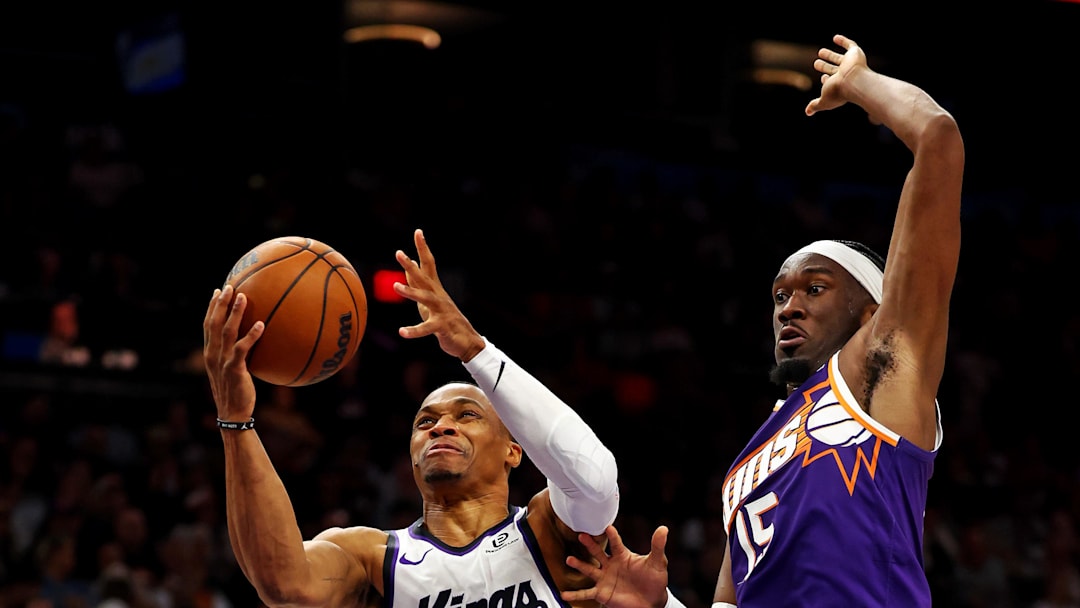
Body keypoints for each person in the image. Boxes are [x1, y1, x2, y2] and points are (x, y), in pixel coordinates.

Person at [560, 33, 964, 607]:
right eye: (778, 296)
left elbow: (938, 138)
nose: (788, 307)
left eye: (814, 289)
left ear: (874, 308)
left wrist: (861, 84)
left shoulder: (886, 367)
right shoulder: (747, 461)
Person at [202, 228, 620, 608]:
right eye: (425, 422)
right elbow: (283, 582)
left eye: (467, 414)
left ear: (514, 450)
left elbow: (594, 477)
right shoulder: (371, 559)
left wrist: (475, 351)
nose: (441, 426)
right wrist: (235, 420)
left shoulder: (550, 530)